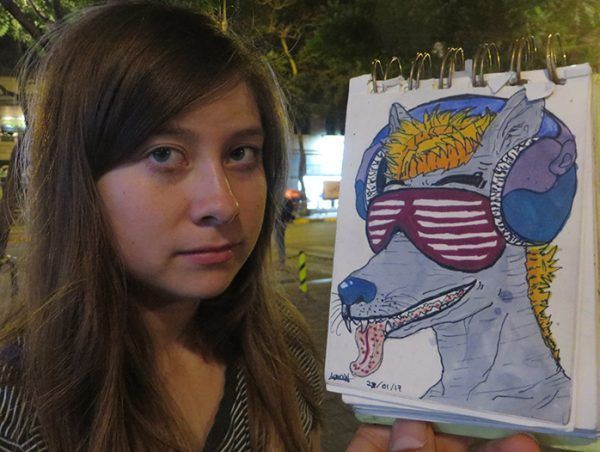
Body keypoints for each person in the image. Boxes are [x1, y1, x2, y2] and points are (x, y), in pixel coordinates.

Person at [0, 2, 541, 451]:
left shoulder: (278, 349)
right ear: (76, 179)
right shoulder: (16, 411)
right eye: (164, 154)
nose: (223, 203)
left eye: (241, 153)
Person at [275, 197, 295, 265]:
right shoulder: (285, 201)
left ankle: (281, 260)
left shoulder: (283, 201)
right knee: (279, 241)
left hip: (279, 223)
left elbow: (285, 212)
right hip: (280, 222)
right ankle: (281, 259)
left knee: (280, 241)